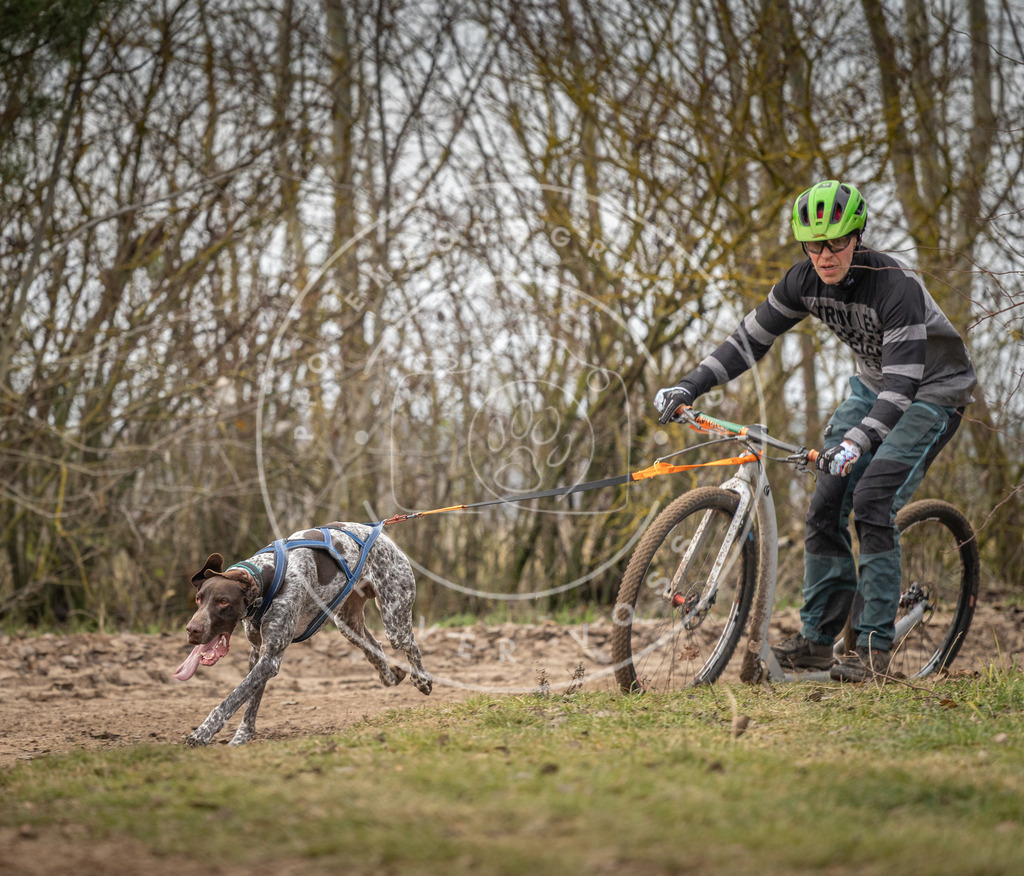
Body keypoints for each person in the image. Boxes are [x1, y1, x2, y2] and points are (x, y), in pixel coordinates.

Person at [654, 180, 976, 682]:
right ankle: (816, 643)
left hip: (931, 392)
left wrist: (856, 441)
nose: (824, 255)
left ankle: (872, 652)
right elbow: (748, 340)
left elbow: (903, 385)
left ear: (857, 237)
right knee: (826, 502)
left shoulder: (896, 288)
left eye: (836, 243)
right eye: (813, 244)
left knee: (871, 501)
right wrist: (688, 386)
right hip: (874, 387)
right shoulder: (802, 281)